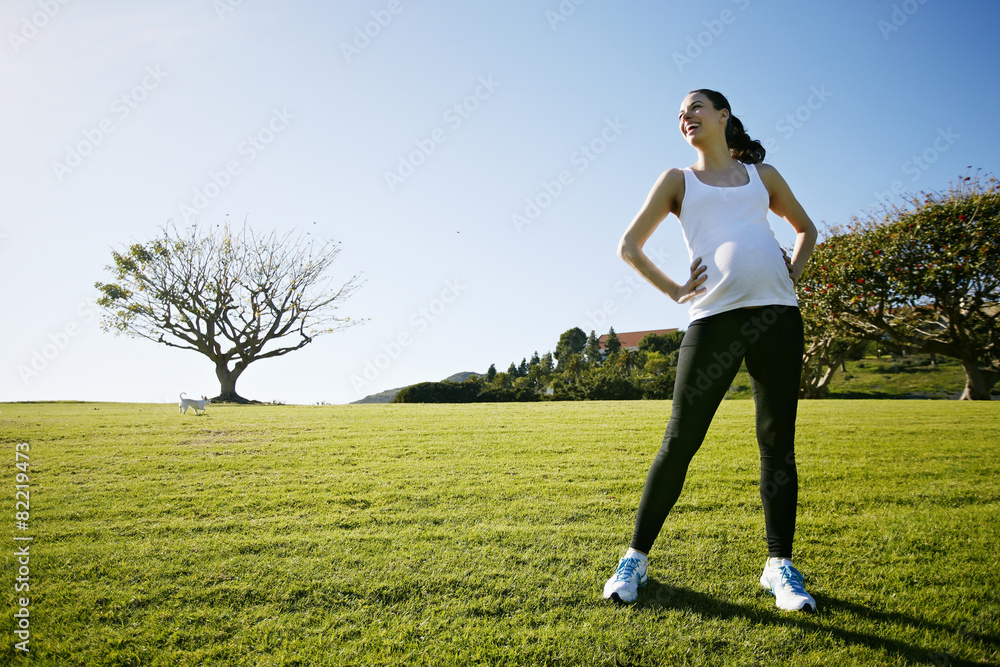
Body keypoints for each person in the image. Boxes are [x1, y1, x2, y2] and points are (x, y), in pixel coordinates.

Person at [603, 89, 819, 612]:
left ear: (724, 116)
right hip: (713, 320)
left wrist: (792, 272)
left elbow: (806, 229)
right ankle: (634, 559)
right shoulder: (677, 181)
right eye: (680, 113)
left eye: (695, 107)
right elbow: (628, 246)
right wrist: (676, 290)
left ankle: (779, 566)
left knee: (777, 443)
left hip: (778, 318)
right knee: (680, 440)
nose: (686, 117)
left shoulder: (762, 177)